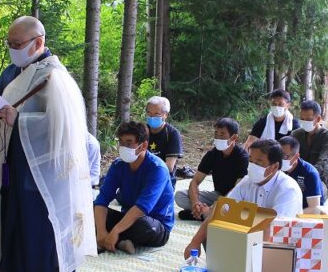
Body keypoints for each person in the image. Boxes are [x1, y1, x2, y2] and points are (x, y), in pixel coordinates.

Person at [0, 16, 96, 272]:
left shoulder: (54, 76)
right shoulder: (12, 72)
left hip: (41, 171)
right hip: (11, 163)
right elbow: (1, 107)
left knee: (38, 224)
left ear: (38, 42)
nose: (13, 49)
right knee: (12, 220)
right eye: (9, 44)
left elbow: (64, 127)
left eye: (18, 44)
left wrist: (20, 120)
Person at [184, 139, 302, 256]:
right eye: (250, 160)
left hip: (280, 249)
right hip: (248, 237)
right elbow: (220, 211)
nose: (252, 166)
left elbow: (273, 230)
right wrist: (194, 243)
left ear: (274, 166)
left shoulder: (287, 190)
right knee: (213, 228)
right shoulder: (247, 182)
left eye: (258, 162)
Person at [93, 121, 175, 254]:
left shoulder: (157, 168)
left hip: (154, 224)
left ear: (143, 146)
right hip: (127, 218)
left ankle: (115, 238)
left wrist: (116, 230)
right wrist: (101, 231)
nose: (124, 147)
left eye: (129, 142)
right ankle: (116, 241)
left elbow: (142, 208)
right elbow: (102, 199)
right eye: (121, 142)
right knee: (90, 209)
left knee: (144, 226)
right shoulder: (118, 165)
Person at [175, 117, 249, 221]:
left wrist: (215, 206)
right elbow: (195, 181)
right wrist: (196, 202)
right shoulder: (212, 155)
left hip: (235, 199)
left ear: (234, 138)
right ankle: (206, 214)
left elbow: (237, 189)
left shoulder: (242, 157)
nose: (218, 137)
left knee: (239, 209)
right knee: (180, 196)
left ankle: (206, 214)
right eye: (216, 133)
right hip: (218, 195)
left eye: (222, 134)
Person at [291, 99, 328, 199]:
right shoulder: (296, 134)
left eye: (308, 119)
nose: (304, 122)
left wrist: (303, 178)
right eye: (302, 119)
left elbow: (324, 167)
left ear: (318, 119)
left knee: (312, 194)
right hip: (294, 179)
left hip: (319, 181)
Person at [144, 96, 183, 186]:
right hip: (142, 176)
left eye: (157, 114)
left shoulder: (172, 134)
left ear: (166, 115)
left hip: (163, 179)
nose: (152, 117)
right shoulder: (142, 131)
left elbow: (169, 167)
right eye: (149, 113)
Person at [279, 136, 325, 212]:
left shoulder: (309, 173)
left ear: (296, 156)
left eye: (284, 156)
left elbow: (314, 208)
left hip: (303, 215)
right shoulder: (275, 167)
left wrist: (291, 215)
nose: (280, 160)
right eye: (278, 155)